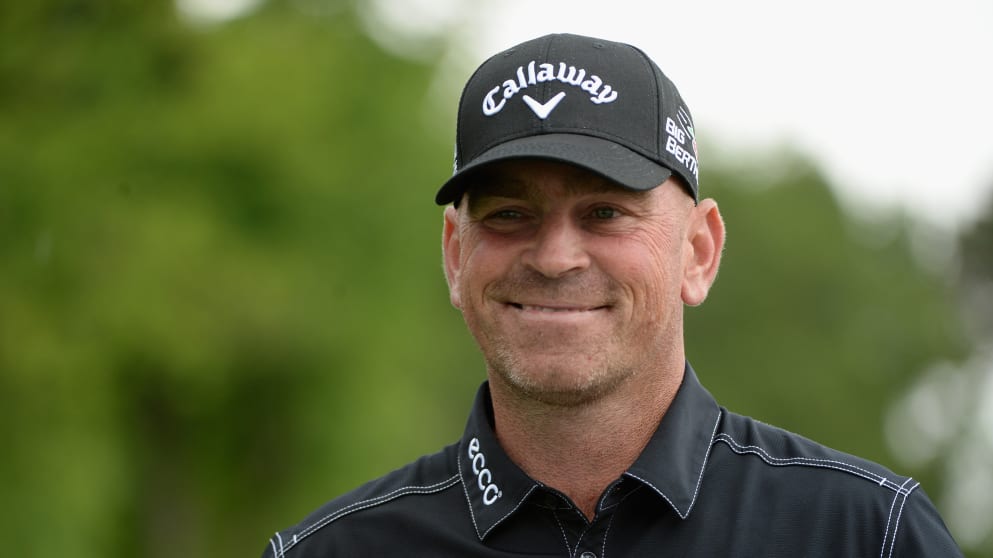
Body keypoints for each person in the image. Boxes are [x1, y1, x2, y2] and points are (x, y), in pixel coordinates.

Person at [261, 33, 962, 557]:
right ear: (454, 254)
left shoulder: (863, 536)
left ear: (697, 251)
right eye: (509, 214)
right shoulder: (328, 552)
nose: (555, 257)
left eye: (604, 213)